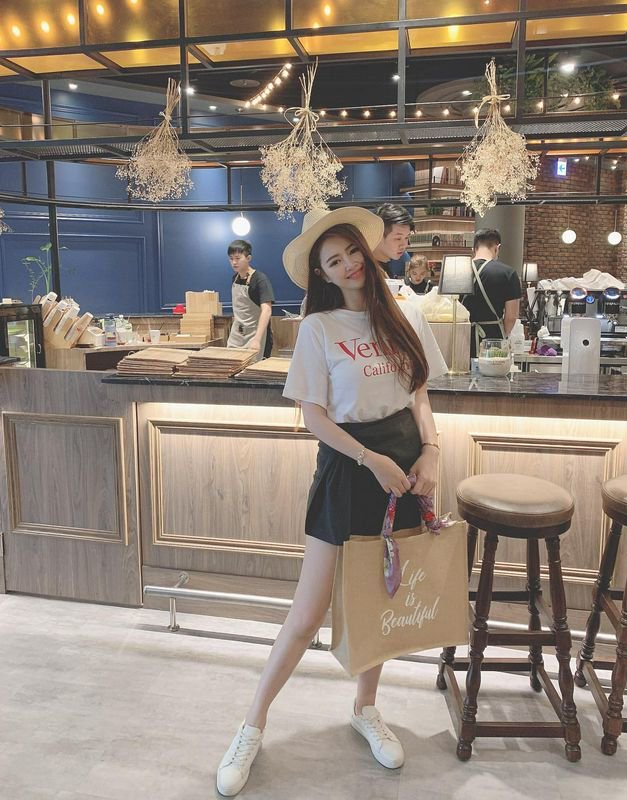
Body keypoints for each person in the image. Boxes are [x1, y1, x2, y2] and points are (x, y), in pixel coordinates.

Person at [216, 207, 448, 797]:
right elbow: (314, 418)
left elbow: (419, 394)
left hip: (406, 466)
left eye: (351, 253)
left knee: (381, 600)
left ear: (367, 252)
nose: (348, 266)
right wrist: (372, 460)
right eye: (333, 261)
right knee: (307, 613)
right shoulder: (318, 328)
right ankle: (251, 725)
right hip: (350, 467)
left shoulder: (404, 313)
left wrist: (431, 452)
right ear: (321, 273)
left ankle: (366, 708)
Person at [462, 228, 522, 358]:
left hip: (461, 339)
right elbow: (511, 317)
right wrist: (503, 335)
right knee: (492, 371)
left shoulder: (457, 270)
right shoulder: (508, 273)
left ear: (474, 249)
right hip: (493, 340)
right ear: (497, 248)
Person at [226, 239, 274, 359]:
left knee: (252, 367)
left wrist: (257, 339)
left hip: (254, 334)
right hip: (237, 334)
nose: (234, 262)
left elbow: (267, 310)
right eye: (231, 258)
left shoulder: (260, 279)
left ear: (248, 258)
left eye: (238, 258)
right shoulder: (235, 279)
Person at [372, 203, 415, 278]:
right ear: (379, 234)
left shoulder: (400, 259)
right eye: (398, 238)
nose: (404, 245)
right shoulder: (364, 271)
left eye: (406, 238)